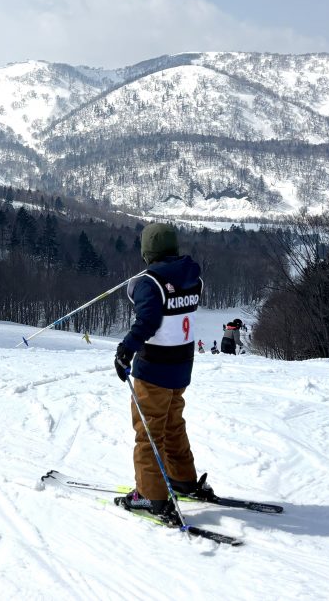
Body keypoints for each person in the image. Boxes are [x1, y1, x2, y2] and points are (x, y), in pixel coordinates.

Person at [112, 222, 214, 525]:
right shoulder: (193, 278)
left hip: (154, 369)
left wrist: (126, 349)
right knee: (172, 424)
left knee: (149, 432)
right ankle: (183, 479)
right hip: (181, 366)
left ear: (147, 251)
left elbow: (148, 320)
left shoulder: (149, 283)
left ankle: (150, 495)